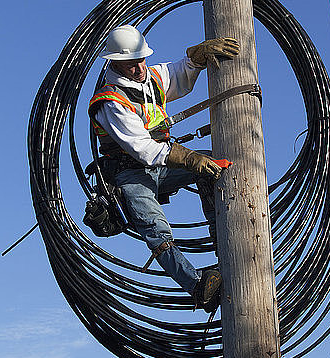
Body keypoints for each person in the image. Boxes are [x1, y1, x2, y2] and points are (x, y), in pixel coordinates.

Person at [88, 25, 239, 311]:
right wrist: (190, 158)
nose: (139, 68)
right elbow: (144, 149)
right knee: (156, 230)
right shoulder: (110, 102)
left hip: (162, 164)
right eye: (131, 64)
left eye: (141, 60)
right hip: (129, 173)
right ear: (115, 63)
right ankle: (197, 286)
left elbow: (177, 76)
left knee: (214, 168)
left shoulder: (149, 78)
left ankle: (225, 249)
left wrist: (196, 58)